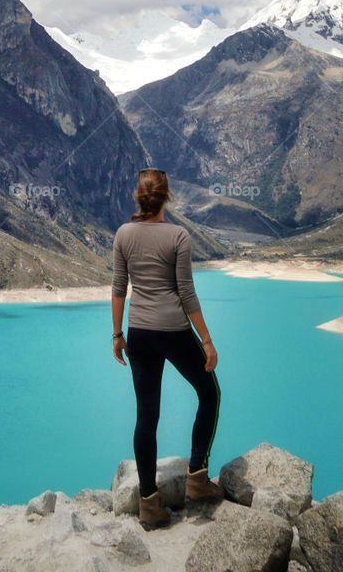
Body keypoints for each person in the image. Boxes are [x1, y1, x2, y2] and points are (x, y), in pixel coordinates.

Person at [111, 167, 223, 530]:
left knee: (147, 417)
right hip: (173, 329)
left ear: (138, 197)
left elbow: (118, 288)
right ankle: (197, 477)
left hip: (139, 332)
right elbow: (186, 293)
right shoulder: (178, 235)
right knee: (209, 393)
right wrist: (206, 340)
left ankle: (149, 504)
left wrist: (117, 335)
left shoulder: (123, 234)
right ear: (166, 197)